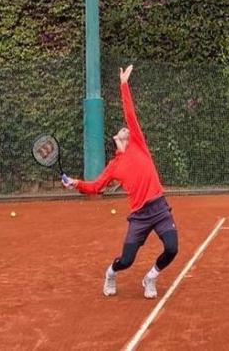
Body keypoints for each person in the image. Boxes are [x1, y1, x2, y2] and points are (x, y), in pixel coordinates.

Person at [65, 65, 179, 299]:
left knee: (172, 248)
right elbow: (96, 187)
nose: (126, 128)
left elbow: (130, 113)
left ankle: (150, 278)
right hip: (139, 215)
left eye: (128, 128)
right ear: (116, 138)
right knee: (126, 260)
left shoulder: (138, 143)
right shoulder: (114, 166)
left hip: (159, 207)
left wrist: (124, 84)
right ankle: (111, 273)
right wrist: (76, 183)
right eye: (122, 130)